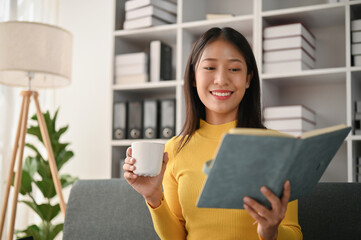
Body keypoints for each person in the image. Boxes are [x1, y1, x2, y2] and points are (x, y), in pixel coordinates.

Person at [123, 27, 302, 240]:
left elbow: (294, 233)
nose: (221, 79)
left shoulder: (280, 146)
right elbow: (176, 237)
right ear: (193, 78)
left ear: (248, 79)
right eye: (209, 67)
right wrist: (153, 196)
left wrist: (270, 232)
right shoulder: (174, 149)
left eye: (234, 69)